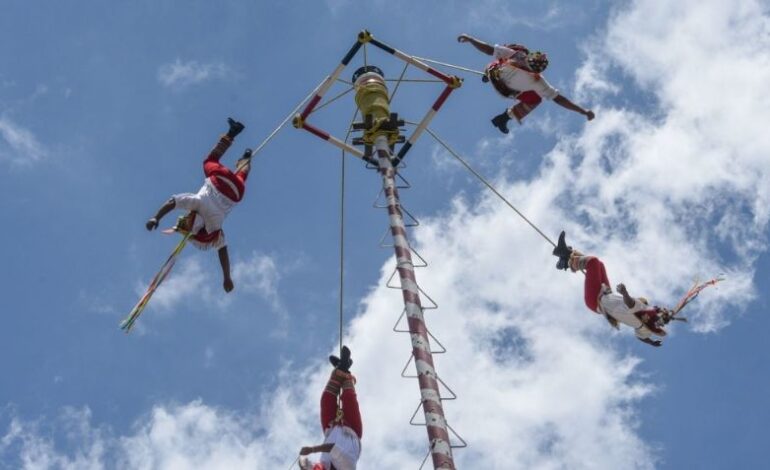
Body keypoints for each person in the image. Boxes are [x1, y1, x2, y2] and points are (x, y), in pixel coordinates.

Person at [146, 117, 252, 293]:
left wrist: (227, 277)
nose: (185, 217)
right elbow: (172, 202)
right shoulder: (195, 204)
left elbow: (222, 250)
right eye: (184, 222)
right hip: (220, 180)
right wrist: (156, 217)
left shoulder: (213, 227)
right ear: (192, 224)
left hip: (236, 192)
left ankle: (247, 160)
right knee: (209, 161)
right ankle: (232, 132)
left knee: (240, 179)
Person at [552, 231, 671, 347]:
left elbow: (630, 303)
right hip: (606, 293)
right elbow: (642, 338)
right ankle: (566, 260)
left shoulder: (641, 311)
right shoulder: (646, 329)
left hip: (596, 300)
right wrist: (652, 343)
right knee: (600, 264)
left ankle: (565, 255)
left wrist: (624, 292)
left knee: (592, 262)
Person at [457, 33, 595, 133]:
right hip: (503, 87)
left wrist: (471, 39)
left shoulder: (518, 56)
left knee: (514, 54)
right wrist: (583, 111)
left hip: (497, 77)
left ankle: (503, 115)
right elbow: (558, 99)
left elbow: (489, 50)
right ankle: (504, 117)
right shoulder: (537, 80)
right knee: (536, 98)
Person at [299, 346, 362, 470]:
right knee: (349, 398)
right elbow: (332, 448)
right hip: (352, 430)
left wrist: (302, 460)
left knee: (326, 399)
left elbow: (305, 464)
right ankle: (345, 370)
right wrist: (312, 450)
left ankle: (341, 368)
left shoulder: (323, 467)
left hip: (331, 429)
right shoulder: (346, 467)